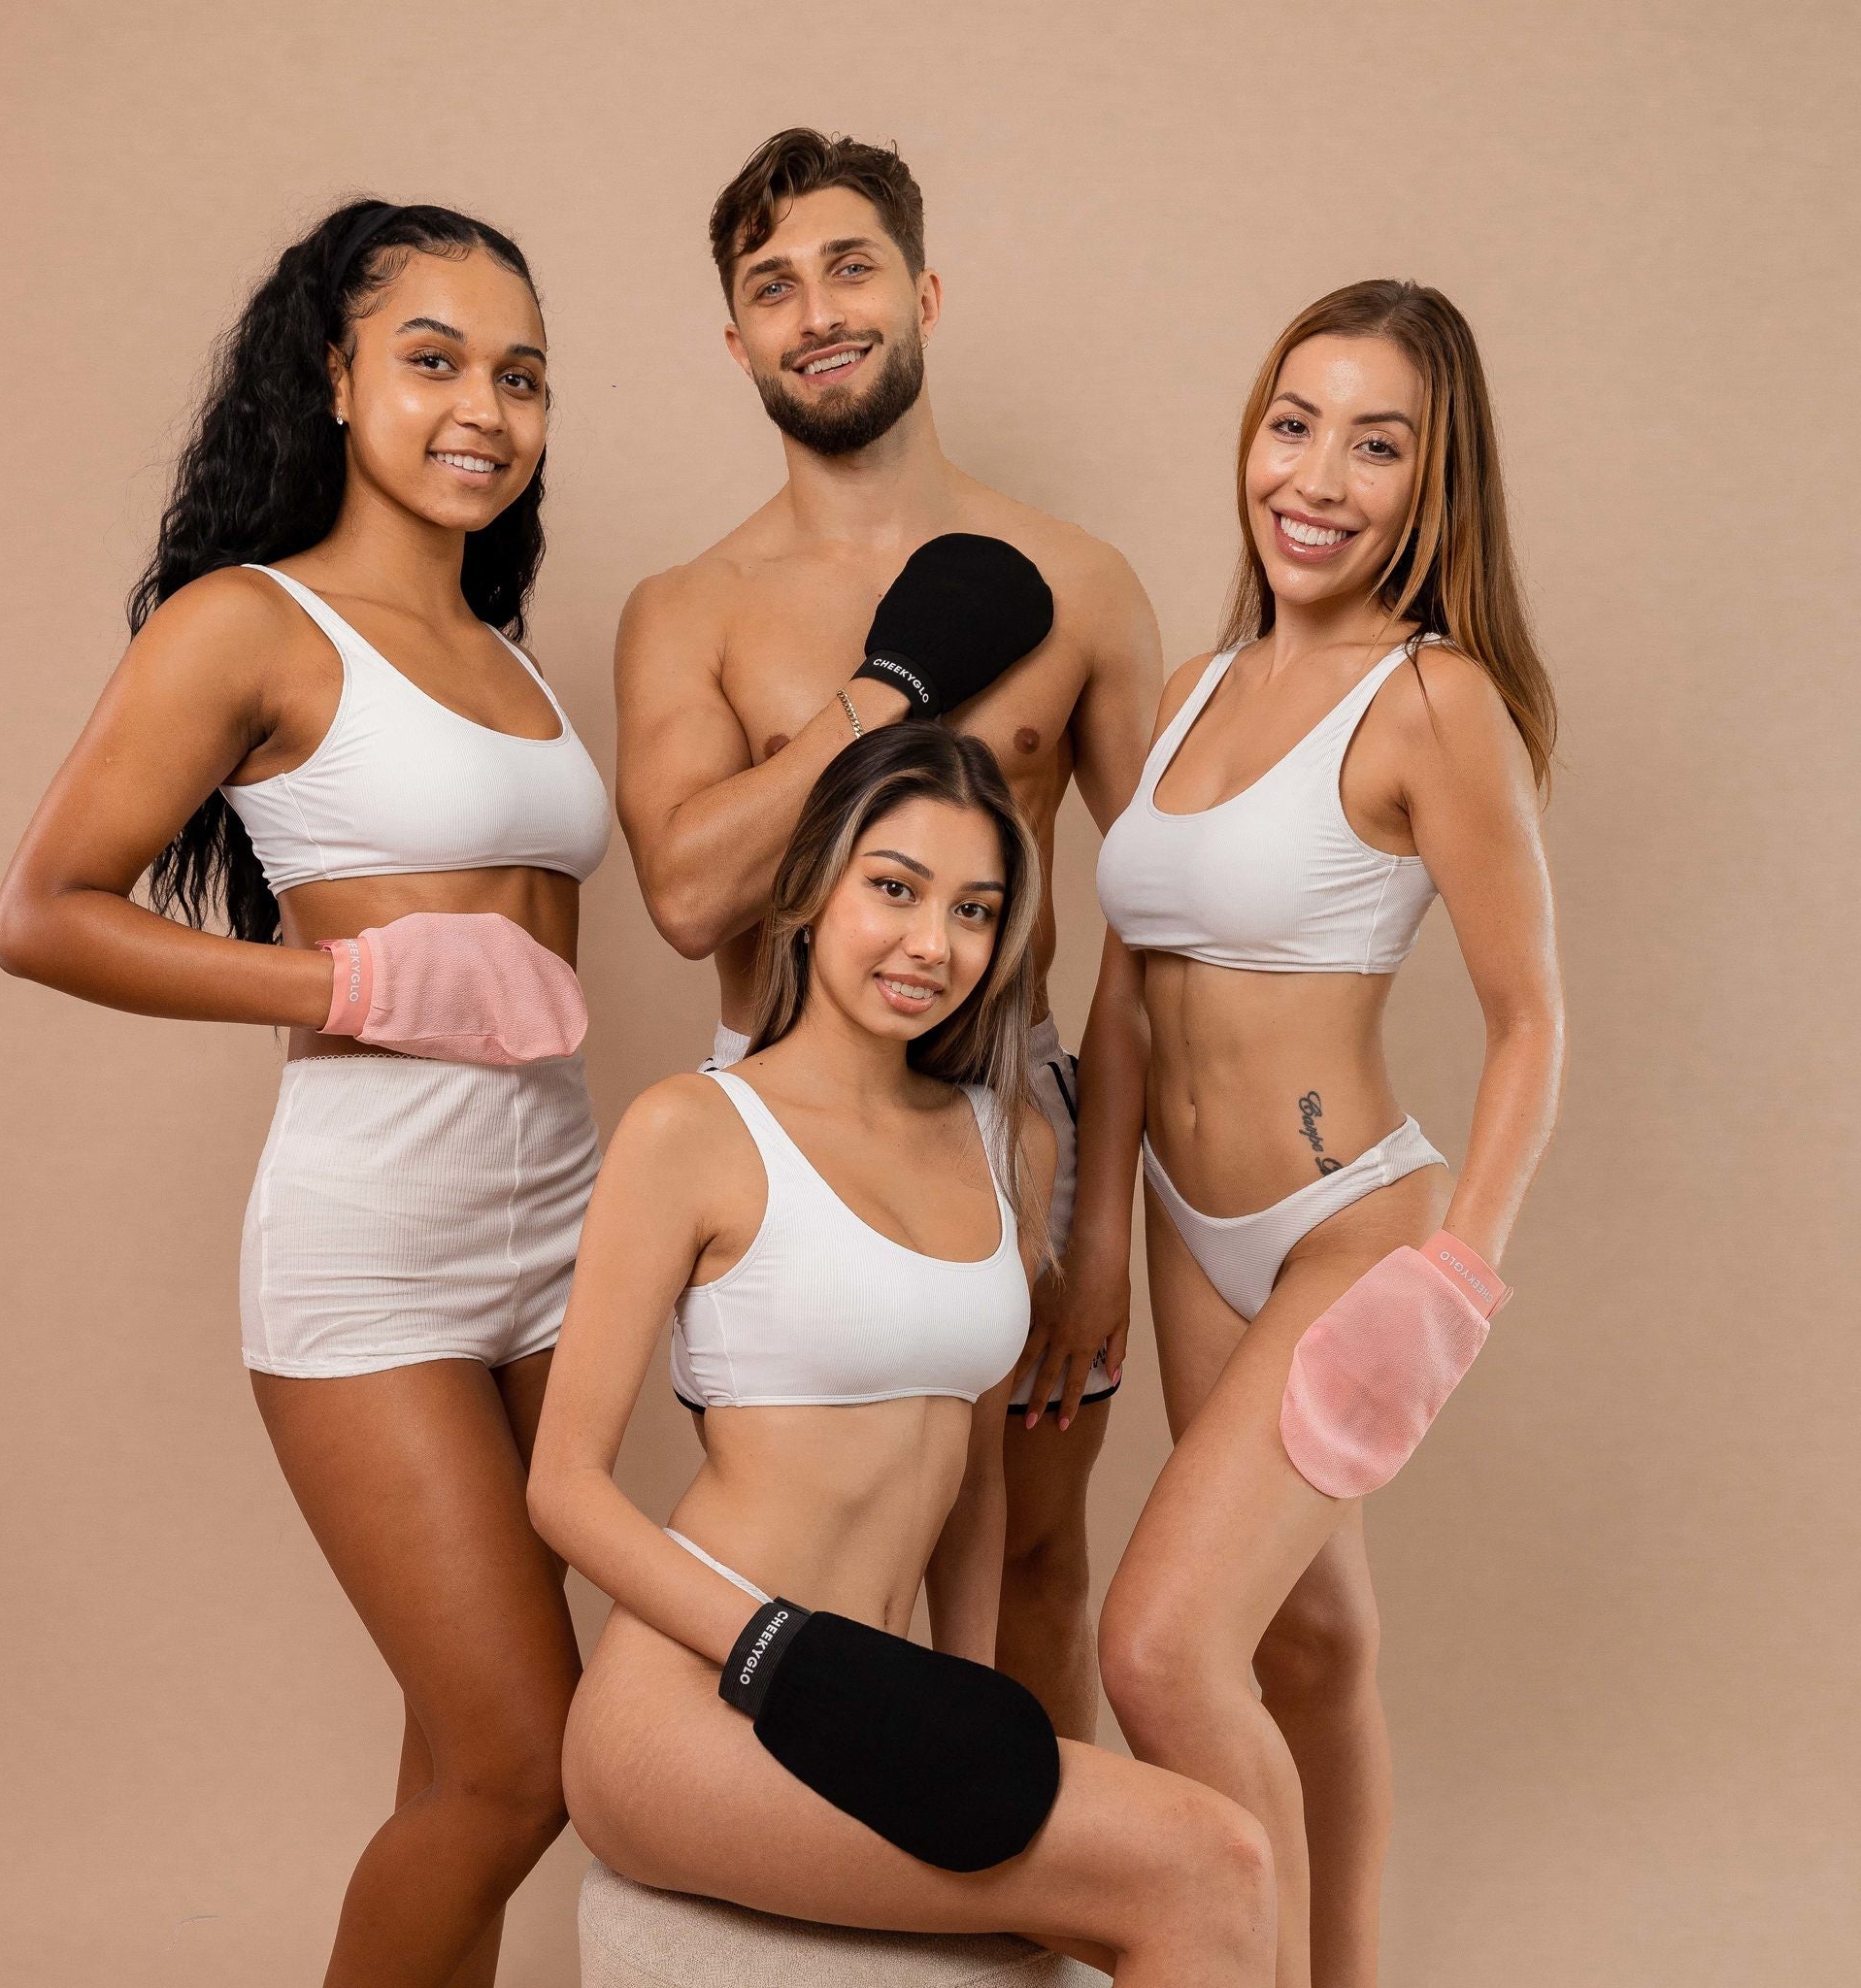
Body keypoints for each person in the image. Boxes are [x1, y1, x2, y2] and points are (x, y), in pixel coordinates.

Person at [0, 200, 609, 1988]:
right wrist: (347, 980)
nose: (481, 407)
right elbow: (43, 915)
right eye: (430, 362)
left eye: (522, 376)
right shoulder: (247, 624)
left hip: (565, 1226)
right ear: (334, 379)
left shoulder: (515, 653)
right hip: (380, 1240)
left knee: (452, 1748)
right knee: (517, 1759)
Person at [530, 726, 1276, 1984]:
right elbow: (562, 1486)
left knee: (1211, 1871)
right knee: (1210, 1866)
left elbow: (970, 1472)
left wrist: (961, 1702)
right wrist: (780, 1649)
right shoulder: (695, 1129)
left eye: (976, 909)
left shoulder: (1011, 1141)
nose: (935, 942)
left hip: (882, 1697)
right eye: (896, 887)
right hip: (702, 1701)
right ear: (815, 885)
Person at [615, 129, 1159, 1739]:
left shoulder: (1084, 582)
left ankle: (1037, 1940)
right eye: (772, 287)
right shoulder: (691, 606)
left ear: (921, 289)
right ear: (737, 340)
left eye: (850, 266)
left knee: (1036, 1566)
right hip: (786, 1136)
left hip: (1023, 1120)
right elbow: (692, 893)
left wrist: (1105, 1222)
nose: (818, 311)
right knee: (833, 1560)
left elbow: (1162, 914)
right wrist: (881, 701)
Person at [1090, 280, 1566, 1988]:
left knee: (1158, 1648)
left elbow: (1532, 1019)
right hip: (1180, 1227)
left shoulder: (1434, 705)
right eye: (1295, 425)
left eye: (1379, 445)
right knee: (1309, 1648)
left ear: (1437, 484)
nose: (1319, 477)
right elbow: (1128, 989)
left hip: (1347, 1230)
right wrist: (1091, 1236)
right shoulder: (1192, 688)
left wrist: (1457, 1278)